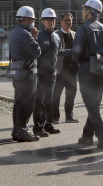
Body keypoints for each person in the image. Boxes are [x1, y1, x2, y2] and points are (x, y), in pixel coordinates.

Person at [72, 0, 103, 149]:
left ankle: (102, 134)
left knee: (91, 105)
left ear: (89, 11)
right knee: (94, 103)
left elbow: (76, 52)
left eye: (84, 8)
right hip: (100, 69)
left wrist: (78, 61)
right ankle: (87, 135)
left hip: (86, 70)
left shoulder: (82, 29)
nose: (82, 11)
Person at [33, 8, 71, 137]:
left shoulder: (56, 37)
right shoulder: (38, 36)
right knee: (39, 102)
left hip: (52, 74)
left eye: (53, 20)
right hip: (41, 74)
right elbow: (34, 55)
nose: (51, 22)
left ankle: (48, 124)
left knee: (50, 100)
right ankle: (38, 127)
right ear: (42, 21)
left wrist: (73, 51)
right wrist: (36, 73)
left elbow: (60, 52)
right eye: (48, 19)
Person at [9, 6, 41, 142]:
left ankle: (17, 130)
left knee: (19, 103)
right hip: (27, 71)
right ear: (26, 19)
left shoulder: (15, 32)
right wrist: (34, 37)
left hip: (17, 71)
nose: (33, 22)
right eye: (32, 20)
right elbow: (37, 51)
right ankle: (23, 131)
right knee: (27, 103)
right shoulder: (25, 34)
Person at [52, 12, 79, 124]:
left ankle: (69, 115)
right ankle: (55, 117)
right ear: (61, 22)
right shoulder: (56, 35)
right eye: (66, 20)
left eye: (70, 20)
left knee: (71, 94)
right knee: (56, 95)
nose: (68, 22)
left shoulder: (75, 34)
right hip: (60, 70)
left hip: (72, 70)